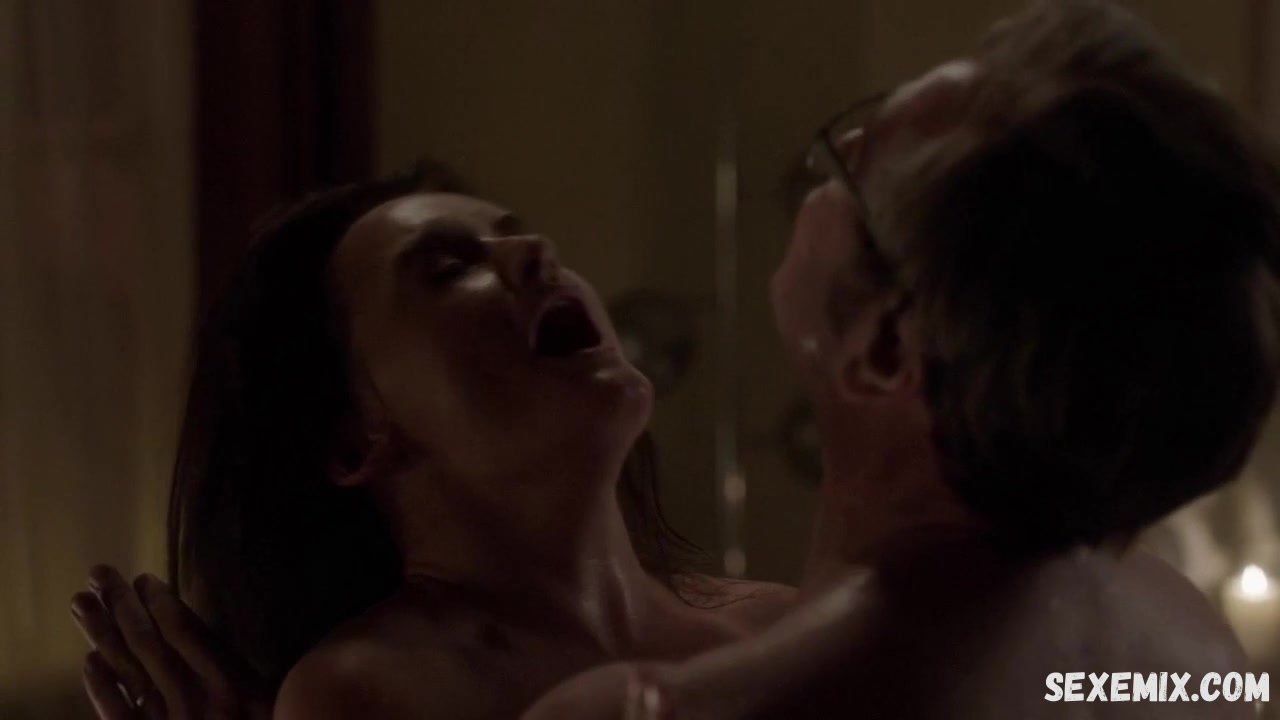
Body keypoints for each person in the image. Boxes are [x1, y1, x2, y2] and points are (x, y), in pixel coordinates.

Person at [524, 0, 1280, 717]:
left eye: (858, 161)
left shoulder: (669, 711)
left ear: (884, 349)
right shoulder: (1191, 652)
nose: (823, 171)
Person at [70, 167, 794, 719]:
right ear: (352, 440)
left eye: (517, 233)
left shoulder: (778, 625)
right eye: (449, 269)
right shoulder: (370, 690)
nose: (537, 251)